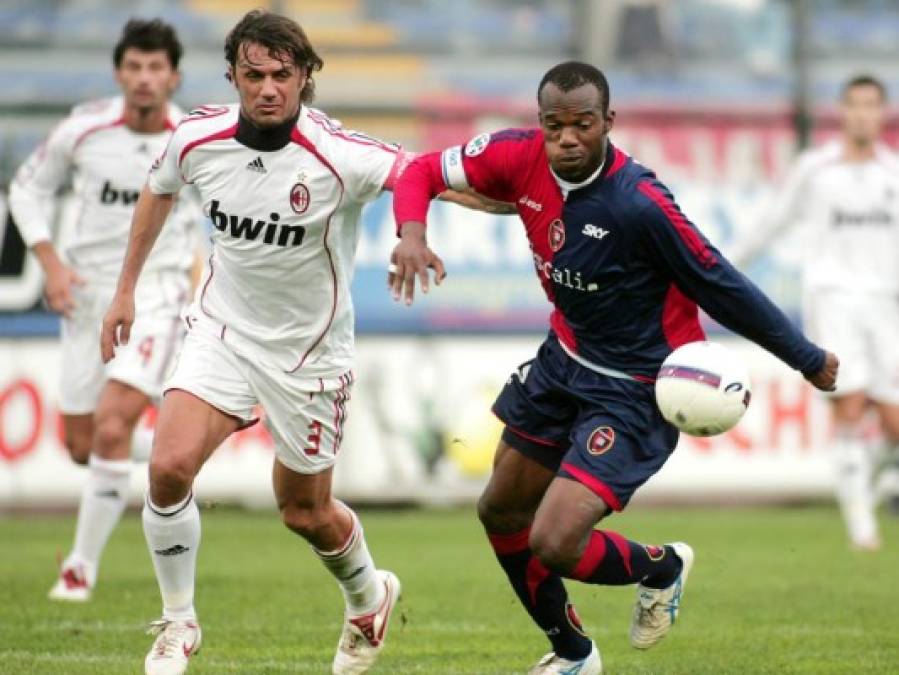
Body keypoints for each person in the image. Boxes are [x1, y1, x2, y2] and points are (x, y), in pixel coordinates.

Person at [391, 61, 839, 674]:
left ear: (608, 122)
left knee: (554, 541)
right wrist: (411, 233)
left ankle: (663, 566)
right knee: (498, 510)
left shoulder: (640, 204)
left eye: (583, 124)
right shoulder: (514, 155)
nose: (568, 138)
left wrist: (807, 358)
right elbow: (419, 170)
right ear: (540, 123)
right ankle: (574, 656)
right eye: (555, 126)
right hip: (563, 361)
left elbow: (720, 283)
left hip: (634, 391)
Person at [99, 11, 502, 675]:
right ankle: (177, 624)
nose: (266, 88)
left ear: (305, 77)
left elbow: (427, 176)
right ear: (231, 76)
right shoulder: (196, 137)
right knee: (168, 467)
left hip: (309, 358)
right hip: (222, 330)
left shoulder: (336, 154)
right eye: (252, 75)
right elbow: (156, 189)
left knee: (303, 510)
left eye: (280, 75)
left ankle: (367, 596)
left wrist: (527, 199)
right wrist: (124, 290)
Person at [8, 19, 197, 602]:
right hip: (87, 297)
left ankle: (78, 568)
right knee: (83, 446)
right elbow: (26, 190)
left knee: (114, 424)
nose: (144, 79)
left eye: (155, 68)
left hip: (157, 295)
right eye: (134, 67)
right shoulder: (83, 129)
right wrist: (52, 265)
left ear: (173, 76)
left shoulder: (193, 137)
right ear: (119, 73)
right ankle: (182, 450)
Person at [730, 75, 899, 551]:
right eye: (855, 105)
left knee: (893, 423)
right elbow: (772, 219)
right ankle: (861, 527)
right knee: (849, 404)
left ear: (882, 113)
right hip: (834, 298)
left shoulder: (893, 173)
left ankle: (864, 483)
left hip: (887, 302)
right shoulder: (816, 168)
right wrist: (720, 267)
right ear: (842, 112)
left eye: (872, 105)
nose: (863, 114)